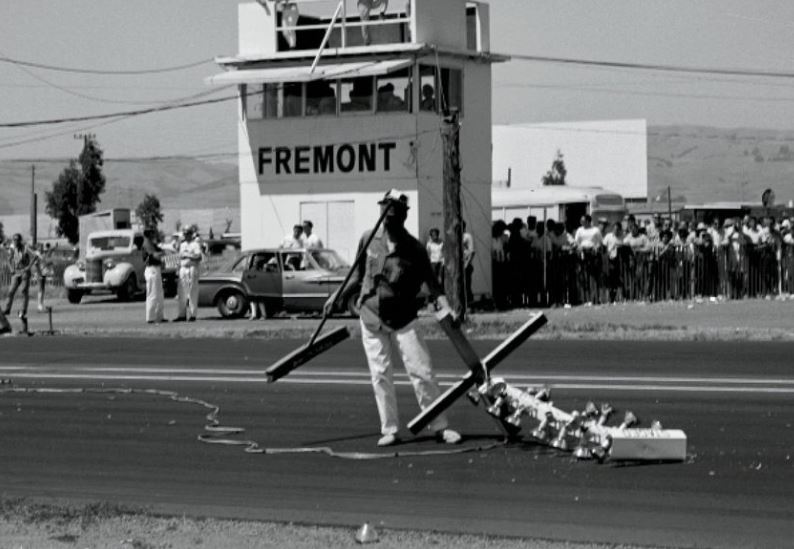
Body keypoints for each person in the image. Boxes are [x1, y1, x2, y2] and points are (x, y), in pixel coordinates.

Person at [325, 189, 461, 447]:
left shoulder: (415, 249)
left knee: (421, 371)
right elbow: (356, 274)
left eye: (395, 211)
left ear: (404, 216)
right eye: (386, 209)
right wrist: (337, 296)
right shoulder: (368, 239)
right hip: (371, 316)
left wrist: (448, 308)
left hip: (404, 318)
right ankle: (390, 429)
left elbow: (433, 286)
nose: (389, 215)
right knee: (380, 374)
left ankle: (440, 426)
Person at [3, 233, 38, 333]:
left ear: (20, 240)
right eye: (14, 240)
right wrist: (11, 269)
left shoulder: (25, 248)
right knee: (11, 291)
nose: (15, 242)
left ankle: (23, 310)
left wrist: (28, 267)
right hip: (16, 273)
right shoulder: (13, 249)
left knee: (23, 291)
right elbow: (9, 260)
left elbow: (35, 256)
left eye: (17, 240)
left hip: (24, 273)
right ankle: (7, 309)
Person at [174, 226, 202, 322]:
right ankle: (181, 315)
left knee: (192, 292)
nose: (186, 236)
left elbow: (198, 256)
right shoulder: (182, 245)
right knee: (181, 292)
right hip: (183, 269)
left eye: (188, 234)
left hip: (192, 268)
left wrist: (189, 255)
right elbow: (179, 257)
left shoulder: (195, 244)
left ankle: (192, 314)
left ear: (191, 234)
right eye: (185, 234)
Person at [142, 229, 166, 324]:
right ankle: (150, 318)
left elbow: (160, 250)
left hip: (157, 269)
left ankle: (160, 316)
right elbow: (155, 255)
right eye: (152, 233)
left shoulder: (152, 243)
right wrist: (162, 253)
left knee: (159, 294)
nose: (154, 234)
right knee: (152, 294)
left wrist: (162, 251)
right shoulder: (147, 243)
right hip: (151, 269)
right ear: (148, 234)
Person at [462, 221, 475, 307]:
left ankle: (469, 304)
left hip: (465, 263)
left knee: (466, 285)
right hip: (457, 264)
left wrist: (467, 263)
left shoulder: (467, 236)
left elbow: (472, 251)